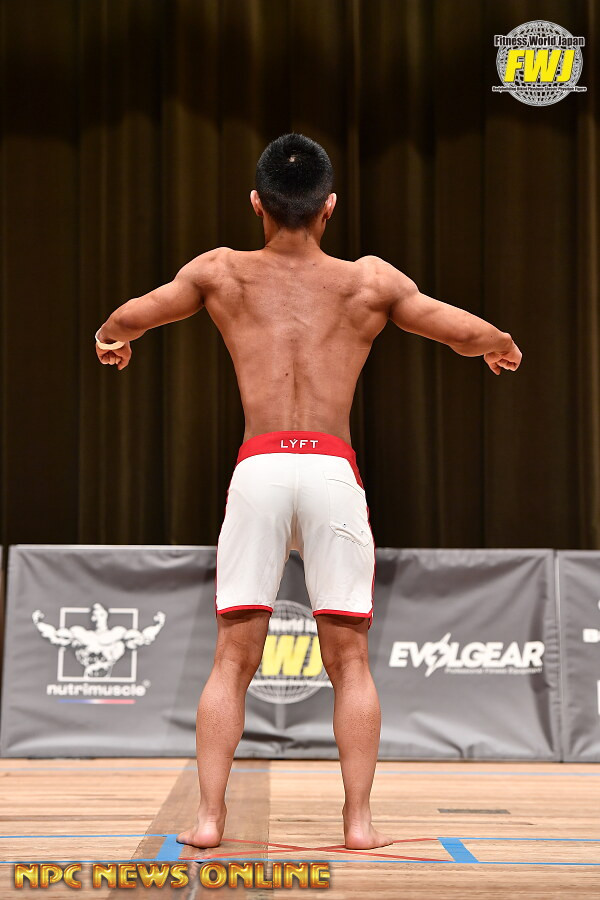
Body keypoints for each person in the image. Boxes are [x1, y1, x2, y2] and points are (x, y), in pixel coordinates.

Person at [95, 133, 522, 850]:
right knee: (349, 660)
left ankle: (208, 819)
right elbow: (463, 331)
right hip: (330, 471)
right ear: (329, 207)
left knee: (233, 658)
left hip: (261, 469)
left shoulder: (221, 271)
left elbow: (132, 314)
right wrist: (499, 344)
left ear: (256, 203)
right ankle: (358, 824)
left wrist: (113, 337)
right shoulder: (369, 283)